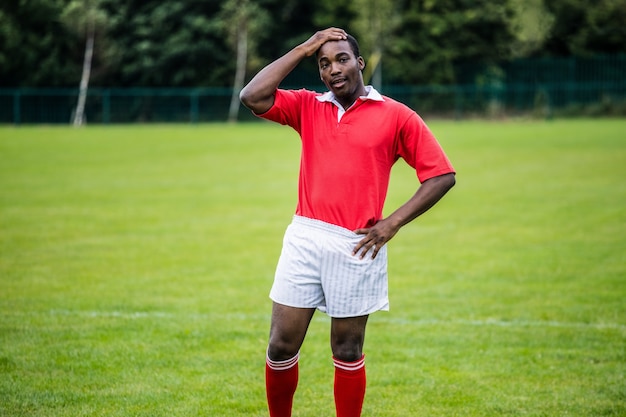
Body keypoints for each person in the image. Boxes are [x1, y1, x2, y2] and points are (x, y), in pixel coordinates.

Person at [239, 27, 456, 417]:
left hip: (357, 243)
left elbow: (441, 175)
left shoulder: (396, 115)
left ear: (359, 62)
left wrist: (392, 223)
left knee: (347, 350)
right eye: (323, 64)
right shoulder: (308, 105)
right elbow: (252, 96)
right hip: (305, 235)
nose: (332, 69)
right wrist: (304, 47)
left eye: (341, 59)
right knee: (280, 346)